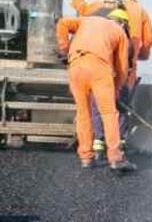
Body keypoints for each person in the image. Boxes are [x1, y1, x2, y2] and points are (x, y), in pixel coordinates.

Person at [70, 0, 152, 156]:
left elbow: (84, 11)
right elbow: (148, 41)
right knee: (121, 103)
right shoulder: (141, 11)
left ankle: (99, 140)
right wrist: (140, 56)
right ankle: (120, 142)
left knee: (97, 103)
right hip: (127, 67)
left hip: (103, 64)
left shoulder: (106, 4)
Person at [55, 10, 136, 173]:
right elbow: (121, 67)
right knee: (109, 113)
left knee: (83, 114)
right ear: (123, 23)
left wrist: (64, 47)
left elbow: (62, 23)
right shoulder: (120, 32)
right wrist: (117, 89)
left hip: (76, 65)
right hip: (99, 68)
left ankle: (86, 157)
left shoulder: (86, 20)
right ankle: (115, 157)